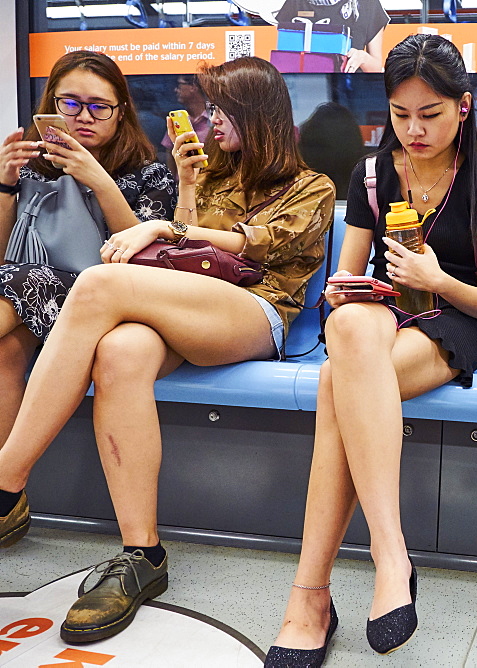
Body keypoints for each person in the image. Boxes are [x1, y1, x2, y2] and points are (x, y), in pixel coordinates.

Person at [0, 56, 335, 644]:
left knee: (98, 284)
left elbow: (252, 249)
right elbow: (175, 258)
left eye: (221, 111)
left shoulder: (313, 186)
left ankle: (6, 476)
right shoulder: (206, 173)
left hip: (256, 313)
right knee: (121, 351)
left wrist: (168, 228)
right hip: (192, 305)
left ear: (258, 116)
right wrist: (183, 191)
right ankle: (142, 553)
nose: (208, 122)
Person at [266, 34, 477, 665]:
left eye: (429, 115)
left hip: (449, 323)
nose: (414, 130)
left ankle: (311, 595)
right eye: (401, 115)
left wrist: (436, 280)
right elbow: (339, 288)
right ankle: (390, 555)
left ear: (462, 108)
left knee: (336, 386)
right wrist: (350, 291)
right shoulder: (371, 175)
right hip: (378, 317)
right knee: (348, 331)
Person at [0, 50, 176, 459]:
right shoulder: (30, 166)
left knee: (18, 279)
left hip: (103, 299)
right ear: (51, 106)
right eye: (72, 104)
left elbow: (146, 261)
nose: (84, 117)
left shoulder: (150, 174)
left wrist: (95, 177)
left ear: (121, 112)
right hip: (26, 292)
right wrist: (6, 186)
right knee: (6, 352)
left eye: (99, 107)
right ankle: (7, 502)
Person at [160, 74, 210, 175]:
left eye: (179, 85)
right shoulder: (179, 120)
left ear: (193, 87)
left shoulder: (213, 120)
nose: (176, 90)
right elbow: (169, 153)